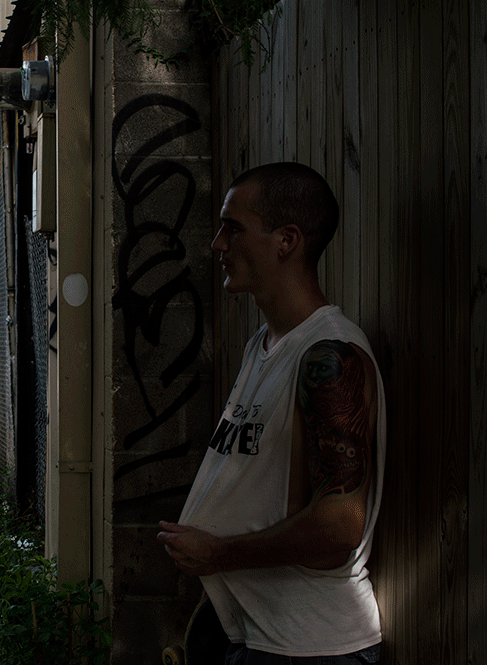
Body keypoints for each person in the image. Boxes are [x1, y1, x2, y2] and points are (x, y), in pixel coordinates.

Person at [157, 163, 386, 664]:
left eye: (233, 228)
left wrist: (218, 554)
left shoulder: (329, 357)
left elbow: (338, 528)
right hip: (259, 635)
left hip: (312, 647)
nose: (218, 243)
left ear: (287, 240)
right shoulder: (264, 344)